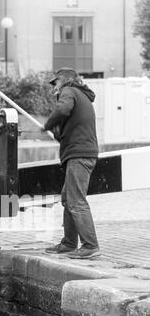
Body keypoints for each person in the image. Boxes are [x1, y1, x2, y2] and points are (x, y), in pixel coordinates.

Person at [42, 67, 100, 259]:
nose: (54, 87)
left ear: (64, 80)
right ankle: (68, 244)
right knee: (68, 199)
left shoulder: (69, 91)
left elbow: (62, 110)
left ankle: (90, 246)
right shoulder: (80, 95)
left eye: (55, 82)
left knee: (76, 200)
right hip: (80, 152)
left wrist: (47, 125)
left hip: (79, 154)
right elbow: (67, 124)